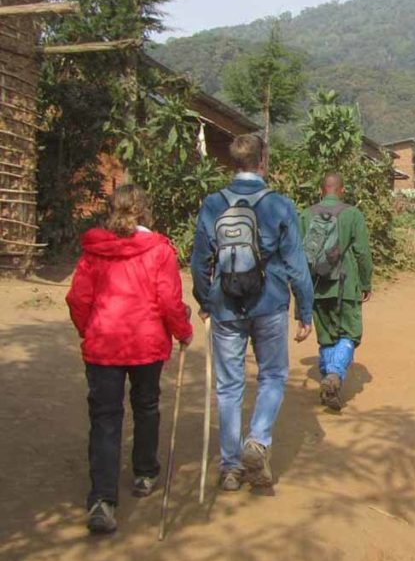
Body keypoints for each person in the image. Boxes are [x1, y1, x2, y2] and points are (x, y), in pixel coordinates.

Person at [66, 185, 193, 534]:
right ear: (144, 211)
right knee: (146, 406)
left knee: (105, 419)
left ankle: (103, 500)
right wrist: (183, 330)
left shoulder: (95, 250)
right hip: (145, 343)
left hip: (104, 343)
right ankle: (145, 474)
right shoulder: (159, 250)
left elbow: (78, 298)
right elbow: (169, 300)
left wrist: (89, 329)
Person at [190, 134, 314, 492]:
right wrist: (304, 311)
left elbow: (200, 261)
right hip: (270, 303)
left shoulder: (213, 204)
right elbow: (296, 264)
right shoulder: (280, 205)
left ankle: (230, 468)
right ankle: (257, 441)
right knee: (273, 374)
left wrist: (205, 301)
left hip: (225, 305)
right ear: (263, 161)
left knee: (228, 386)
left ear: (234, 164)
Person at [300, 172, 373, 411]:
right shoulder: (352, 214)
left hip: (317, 287)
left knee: (327, 337)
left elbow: (299, 256)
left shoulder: (306, 215)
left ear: (322, 190)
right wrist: (365, 283)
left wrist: (302, 291)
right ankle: (334, 375)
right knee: (350, 334)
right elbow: (362, 253)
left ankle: (328, 382)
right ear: (342, 190)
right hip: (346, 286)